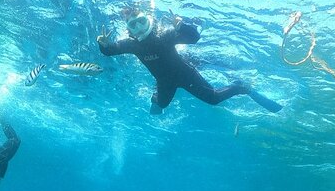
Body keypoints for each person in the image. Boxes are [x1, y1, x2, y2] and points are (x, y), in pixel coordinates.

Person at [97, 7, 282, 114]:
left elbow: (193, 38)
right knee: (159, 107)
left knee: (214, 99)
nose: (139, 27)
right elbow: (110, 52)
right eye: (133, 24)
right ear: (129, 30)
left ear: (149, 21)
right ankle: (156, 95)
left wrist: (181, 25)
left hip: (186, 75)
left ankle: (240, 87)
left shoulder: (165, 35)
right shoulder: (131, 45)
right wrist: (104, 45)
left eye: (141, 21)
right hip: (164, 83)